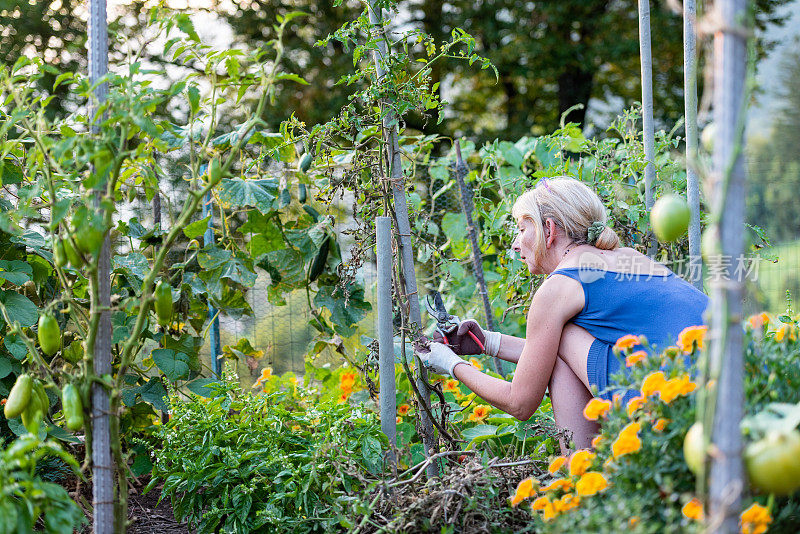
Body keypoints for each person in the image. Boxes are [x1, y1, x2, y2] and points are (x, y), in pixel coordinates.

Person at [417, 176, 708, 451]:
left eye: (521, 229)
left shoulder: (560, 287)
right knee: (563, 336)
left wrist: (451, 364)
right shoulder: (630, 257)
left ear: (549, 229)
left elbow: (520, 402)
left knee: (564, 332)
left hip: (667, 411)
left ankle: (581, 480)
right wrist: (490, 343)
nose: (516, 244)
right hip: (722, 387)